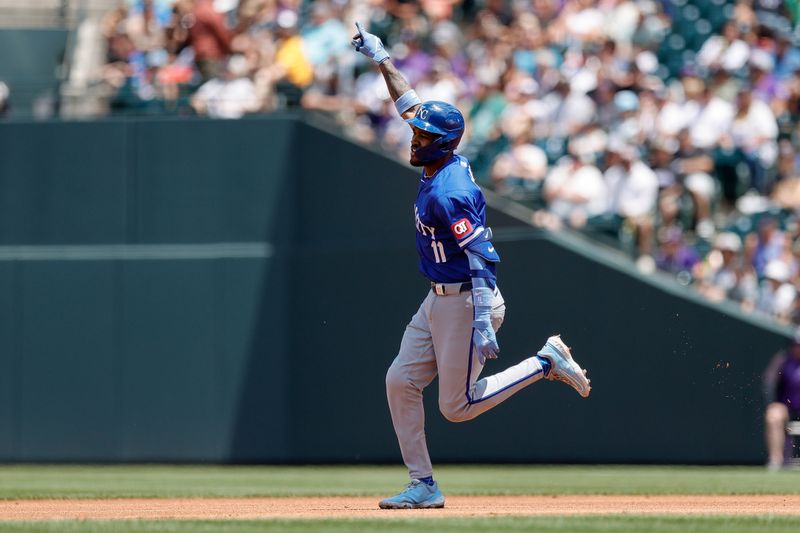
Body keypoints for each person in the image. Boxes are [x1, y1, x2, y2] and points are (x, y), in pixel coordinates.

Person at [351, 22, 592, 510]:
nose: (414, 135)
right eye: (418, 129)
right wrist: (381, 58)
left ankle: (544, 361)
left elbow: (482, 258)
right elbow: (407, 100)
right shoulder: (439, 159)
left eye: (423, 133)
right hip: (437, 298)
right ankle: (423, 484)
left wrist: (483, 320)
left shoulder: (450, 191)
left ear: (441, 143)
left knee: (456, 408)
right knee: (400, 382)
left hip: (466, 299)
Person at [763, 329, 800, 470]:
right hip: (787, 408)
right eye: (797, 344)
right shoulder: (783, 359)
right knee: (773, 415)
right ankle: (775, 460)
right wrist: (772, 402)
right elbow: (769, 382)